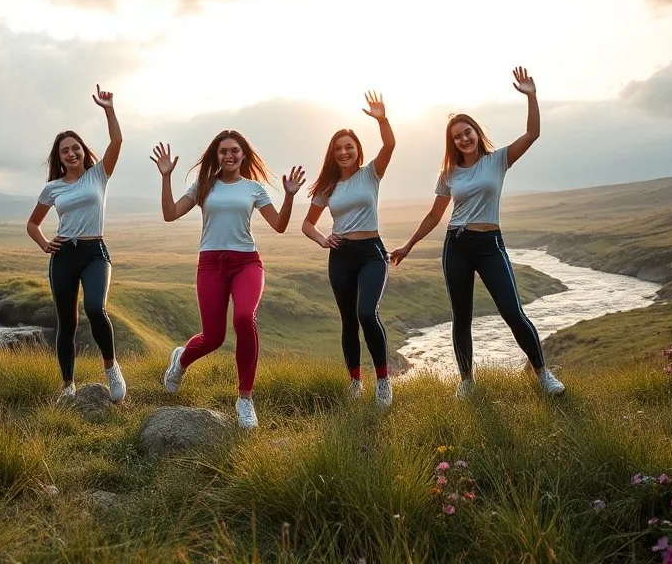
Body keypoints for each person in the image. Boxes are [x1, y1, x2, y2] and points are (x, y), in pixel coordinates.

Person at [390, 68, 565, 398]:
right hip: (456, 244)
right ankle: (467, 381)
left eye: (467, 132)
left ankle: (543, 374)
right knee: (462, 317)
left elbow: (533, 133)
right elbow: (435, 214)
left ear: (476, 132)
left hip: (489, 244)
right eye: (457, 136)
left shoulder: (498, 160)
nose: (463, 138)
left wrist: (531, 95)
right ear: (452, 142)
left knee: (513, 312)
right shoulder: (448, 173)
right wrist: (409, 245)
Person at [151, 131, 306, 429]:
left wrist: (288, 195)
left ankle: (245, 399)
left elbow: (280, 225)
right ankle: (181, 360)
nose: (229, 156)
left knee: (245, 318)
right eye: (223, 151)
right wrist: (166, 176)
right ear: (216, 155)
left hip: (247, 262)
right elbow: (170, 214)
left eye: (235, 151)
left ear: (244, 155)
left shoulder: (254, 188)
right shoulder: (204, 186)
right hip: (210, 264)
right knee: (214, 338)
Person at [26, 86, 126, 402]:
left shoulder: (99, 175)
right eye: (64, 151)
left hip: (94, 252)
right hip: (64, 256)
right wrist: (44, 243)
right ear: (59, 158)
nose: (71, 153)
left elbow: (117, 142)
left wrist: (109, 109)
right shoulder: (52, 188)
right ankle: (68, 386)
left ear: (83, 150)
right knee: (66, 323)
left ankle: (111, 368)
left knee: (96, 308)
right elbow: (32, 223)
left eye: (75, 148)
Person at [301, 91, 396, 407]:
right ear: (333, 153)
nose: (344, 152)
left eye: (349, 147)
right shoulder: (328, 187)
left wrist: (382, 119)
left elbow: (390, 145)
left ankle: (383, 383)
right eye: (338, 148)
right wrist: (322, 239)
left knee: (367, 313)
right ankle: (355, 382)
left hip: (371, 253)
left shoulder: (371, 173)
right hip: (340, 256)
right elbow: (308, 224)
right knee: (348, 321)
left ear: (357, 150)